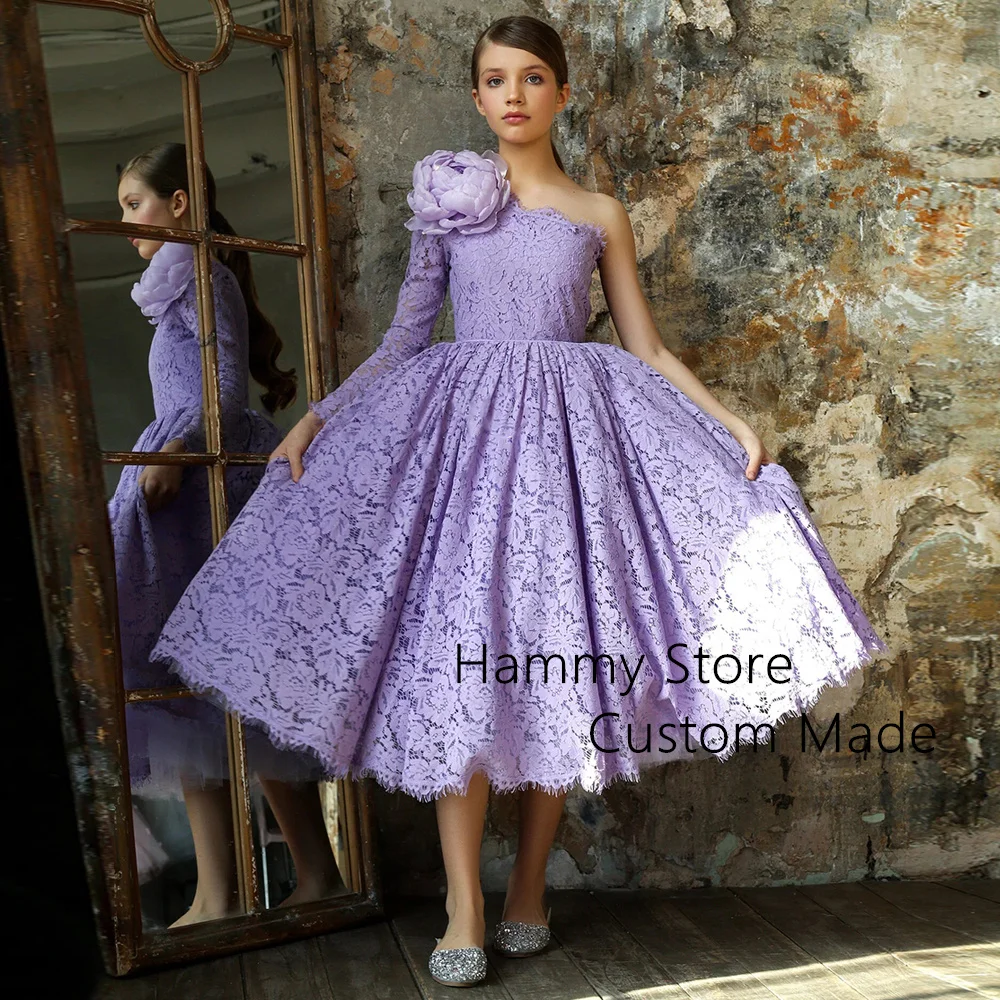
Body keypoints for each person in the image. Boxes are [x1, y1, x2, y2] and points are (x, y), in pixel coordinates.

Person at [149, 15, 887, 984]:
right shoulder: (452, 204)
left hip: (567, 464)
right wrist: (317, 419)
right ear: (475, 96)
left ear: (561, 94)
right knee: (460, 676)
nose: (512, 95)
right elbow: (406, 339)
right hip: (461, 461)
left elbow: (645, 348)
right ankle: (464, 902)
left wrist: (728, 422)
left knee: (554, 675)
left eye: (532, 78)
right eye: (495, 79)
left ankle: (528, 885)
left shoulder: (596, 215)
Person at [111, 142, 343, 928]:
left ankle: (311, 876)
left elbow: (220, 381)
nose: (125, 221)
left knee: (237, 685)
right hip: (183, 488)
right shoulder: (184, 277)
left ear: (181, 203)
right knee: (193, 700)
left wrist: (177, 449)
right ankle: (222, 892)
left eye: (135, 204)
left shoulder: (202, 275)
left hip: (210, 479)